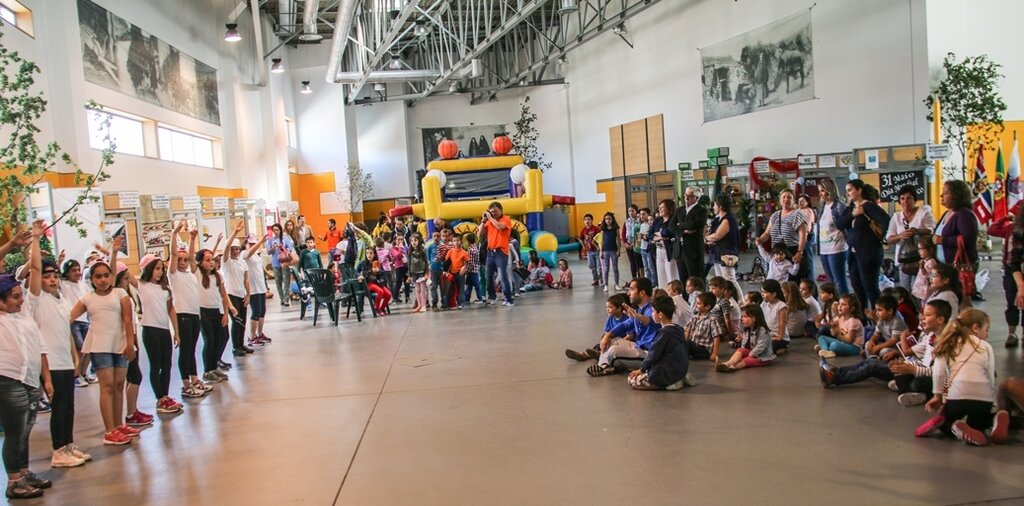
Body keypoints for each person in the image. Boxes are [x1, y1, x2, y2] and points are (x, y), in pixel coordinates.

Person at [24, 222, 87, 469]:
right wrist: (36, 240)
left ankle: (68, 444)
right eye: (46, 277)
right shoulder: (37, 300)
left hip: (64, 359)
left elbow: (66, 332)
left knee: (69, 405)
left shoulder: (60, 302)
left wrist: (75, 358)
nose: (51, 280)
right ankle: (58, 450)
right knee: (59, 406)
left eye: (54, 277)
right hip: (49, 361)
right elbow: (35, 269)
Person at [0, 228, 56, 498]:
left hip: (30, 378)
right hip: (7, 378)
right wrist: (10, 245)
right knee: (14, 431)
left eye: (20, 295)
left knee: (25, 429)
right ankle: (13, 481)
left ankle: (23, 472)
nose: (21, 299)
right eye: (14, 297)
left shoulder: (23, 313)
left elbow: (34, 268)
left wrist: (34, 239)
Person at [68, 254, 138, 445]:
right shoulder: (87, 298)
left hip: (120, 345)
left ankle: (118, 424)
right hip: (100, 346)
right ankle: (109, 430)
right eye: (98, 276)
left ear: (111, 276)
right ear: (92, 279)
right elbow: (69, 317)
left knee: (118, 384)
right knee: (106, 386)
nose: (102, 280)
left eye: (106, 275)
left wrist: (130, 343)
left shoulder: (120, 295)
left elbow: (127, 320)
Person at [917, 309, 1001, 446]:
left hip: (957, 398)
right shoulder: (986, 346)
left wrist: (937, 396)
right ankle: (994, 419)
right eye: (986, 329)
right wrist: (993, 402)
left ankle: (953, 427)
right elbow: (991, 377)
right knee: (978, 425)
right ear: (975, 327)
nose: (987, 334)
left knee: (944, 422)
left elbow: (939, 371)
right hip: (983, 400)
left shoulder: (948, 343)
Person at [136, 253, 182, 415]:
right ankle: (159, 398)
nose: (160, 272)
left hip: (164, 331)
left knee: (167, 365)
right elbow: (124, 274)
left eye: (161, 269)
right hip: (150, 330)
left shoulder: (165, 290)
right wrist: (112, 252)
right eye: (156, 269)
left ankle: (165, 395)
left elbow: (171, 310)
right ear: (148, 269)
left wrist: (176, 332)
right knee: (156, 366)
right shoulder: (141, 285)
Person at [835, 180, 891, 312]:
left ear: (859, 190)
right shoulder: (851, 208)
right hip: (854, 254)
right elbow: (839, 223)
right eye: (847, 190)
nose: (848, 193)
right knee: (857, 286)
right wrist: (854, 214)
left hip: (869, 253)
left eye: (850, 190)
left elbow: (886, 220)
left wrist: (877, 238)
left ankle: (880, 319)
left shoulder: (868, 206)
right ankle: (864, 318)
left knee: (870, 287)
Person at [587, 278, 660, 376]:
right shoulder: (638, 310)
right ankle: (607, 363)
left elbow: (652, 321)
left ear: (642, 292)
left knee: (613, 351)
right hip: (638, 346)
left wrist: (639, 317)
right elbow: (624, 325)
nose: (628, 293)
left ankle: (603, 366)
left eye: (631, 289)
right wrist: (607, 336)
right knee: (611, 340)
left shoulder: (651, 309)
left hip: (647, 353)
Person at [169, 223, 208, 398]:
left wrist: (192, 239)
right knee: (185, 351)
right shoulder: (173, 274)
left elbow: (192, 258)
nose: (183, 262)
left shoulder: (191, 273)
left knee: (191, 349)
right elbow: (173, 254)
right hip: (182, 315)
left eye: (185, 260)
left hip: (194, 315)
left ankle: (194, 378)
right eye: (180, 260)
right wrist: (175, 233)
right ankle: (185, 383)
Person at [627, 295, 691, 391]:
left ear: (660, 314)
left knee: (632, 380)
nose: (652, 314)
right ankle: (677, 379)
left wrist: (641, 370)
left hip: (665, 372)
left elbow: (653, 355)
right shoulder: (678, 330)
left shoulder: (664, 334)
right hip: (680, 370)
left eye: (653, 311)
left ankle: (668, 383)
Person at [886, 185, 935, 293]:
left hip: (921, 259)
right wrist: (900, 236)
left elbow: (931, 230)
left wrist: (916, 231)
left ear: (914, 199)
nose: (905, 201)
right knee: (904, 291)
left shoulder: (923, 212)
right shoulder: (896, 217)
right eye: (902, 198)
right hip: (904, 260)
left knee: (919, 288)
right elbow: (889, 239)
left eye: (909, 198)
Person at [195, 248, 234, 385]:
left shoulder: (218, 276)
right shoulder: (198, 274)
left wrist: (225, 313)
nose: (211, 263)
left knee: (218, 340)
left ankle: (213, 367)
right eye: (207, 260)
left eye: (212, 260)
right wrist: (193, 239)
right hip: (203, 312)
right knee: (209, 340)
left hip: (216, 311)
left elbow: (223, 295)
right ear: (200, 263)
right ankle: (207, 371)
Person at [757, 189, 810, 282]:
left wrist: (799, 252)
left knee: (792, 283)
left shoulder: (798, 214)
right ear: (780, 200)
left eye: (789, 197)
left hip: (791, 252)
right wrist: (759, 240)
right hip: (777, 253)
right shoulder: (775, 216)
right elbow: (767, 234)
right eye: (784, 197)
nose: (786, 199)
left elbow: (803, 236)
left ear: (793, 200)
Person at [988, 206, 1021, 347]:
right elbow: (992, 229)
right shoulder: (1010, 228)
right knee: (1011, 301)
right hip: (1010, 270)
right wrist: (1005, 218)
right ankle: (1011, 333)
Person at [564, 294, 630, 361]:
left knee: (610, 347)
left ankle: (599, 354)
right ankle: (584, 354)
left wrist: (616, 342)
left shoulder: (626, 319)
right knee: (599, 345)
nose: (607, 309)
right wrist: (605, 339)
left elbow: (630, 336)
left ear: (619, 308)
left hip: (622, 342)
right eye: (607, 307)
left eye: (610, 307)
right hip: (611, 339)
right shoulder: (610, 318)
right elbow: (607, 333)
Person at [60, 259, 94, 387]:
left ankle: (84, 373)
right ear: (67, 273)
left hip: (85, 320)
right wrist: (58, 262)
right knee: (80, 349)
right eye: (73, 270)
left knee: (89, 349)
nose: (77, 272)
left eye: (78, 269)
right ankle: (76, 375)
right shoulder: (64, 284)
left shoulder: (82, 285)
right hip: (74, 321)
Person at [221, 222, 253, 357]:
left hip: (241, 294)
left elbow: (246, 279)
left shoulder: (241, 262)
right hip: (231, 294)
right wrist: (235, 231)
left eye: (237, 249)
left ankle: (241, 344)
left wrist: (248, 294)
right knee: (237, 321)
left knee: (243, 321)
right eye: (233, 249)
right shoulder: (226, 262)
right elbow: (227, 246)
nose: (235, 251)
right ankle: (235, 347)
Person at [937, 180, 979, 277]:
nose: (941, 195)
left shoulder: (964, 214)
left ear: (956, 195)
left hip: (960, 265)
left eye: (946, 193)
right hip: (946, 265)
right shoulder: (948, 213)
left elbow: (968, 239)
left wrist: (944, 240)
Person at [716, 304, 776, 372]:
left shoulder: (762, 330)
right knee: (740, 350)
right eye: (742, 317)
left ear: (754, 318)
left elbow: (761, 346)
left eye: (745, 317)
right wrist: (743, 350)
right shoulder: (747, 329)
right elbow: (744, 345)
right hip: (752, 352)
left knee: (746, 360)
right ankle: (729, 363)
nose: (742, 319)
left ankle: (731, 367)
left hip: (762, 357)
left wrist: (750, 354)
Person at [705, 194, 742, 297]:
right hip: (717, 254)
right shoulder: (718, 220)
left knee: (730, 280)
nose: (713, 207)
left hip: (727, 254)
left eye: (715, 205)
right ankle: (723, 300)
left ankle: (740, 301)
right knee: (720, 281)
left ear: (720, 206)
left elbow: (717, 236)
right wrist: (708, 238)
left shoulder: (727, 219)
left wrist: (707, 238)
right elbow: (709, 234)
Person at [479, 202, 515, 307]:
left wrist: (490, 218)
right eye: (491, 211)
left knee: (503, 276)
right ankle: (492, 296)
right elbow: (480, 234)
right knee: (488, 276)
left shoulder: (506, 219)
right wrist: (483, 221)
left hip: (501, 252)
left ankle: (509, 298)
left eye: (495, 211)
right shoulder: (489, 222)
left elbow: (500, 227)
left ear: (501, 210)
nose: (493, 213)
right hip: (490, 252)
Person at [669, 187, 708, 282]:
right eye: (685, 195)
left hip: (693, 250)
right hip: (680, 250)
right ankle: (685, 297)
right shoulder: (679, 210)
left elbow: (694, 224)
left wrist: (680, 225)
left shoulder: (701, 211)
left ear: (697, 198)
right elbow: (671, 226)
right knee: (683, 279)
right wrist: (683, 231)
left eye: (690, 196)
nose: (687, 198)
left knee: (695, 279)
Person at [817, 179, 849, 294]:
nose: (820, 194)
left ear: (829, 191)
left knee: (839, 280)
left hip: (837, 248)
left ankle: (845, 305)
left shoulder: (840, 206)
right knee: (830, 282)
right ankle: (835, 306)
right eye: (819, 191)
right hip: (824, 249)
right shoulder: (823, 206)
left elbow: (846, 226)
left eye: (822, 191)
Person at [817, 294, 865, 364]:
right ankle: (826, 350)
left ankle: (826, 348)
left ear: (852, 308)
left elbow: (850, 340)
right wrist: (832, 327)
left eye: (843, 304)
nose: (839, 306)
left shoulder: (853, 321)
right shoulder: (841, 318)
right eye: (839, 304)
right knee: (821, 338)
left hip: (855, 348)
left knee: (834, 345)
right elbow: (832, 325)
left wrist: (837, 335)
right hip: (843, 343)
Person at [244, 232, 272, 347]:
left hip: (260, 287)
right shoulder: (244, 254)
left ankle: (259, 333)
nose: (252, 246)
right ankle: (252, 336)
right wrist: (260, 241)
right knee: (255, 312)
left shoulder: (257, 255)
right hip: (253, 289)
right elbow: (248, 254)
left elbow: (260, 270)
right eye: (250, 243)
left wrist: (266, 286)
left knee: (262, 311)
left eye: (253, 244)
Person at [683, 292, 726, 361]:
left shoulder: (712, 319)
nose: (696, 305)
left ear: (707, 307)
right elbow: (687, 330)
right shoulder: (694, 317)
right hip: (693, 345)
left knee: (686, 344)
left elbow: (716, 337)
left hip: (703, 349)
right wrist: (683, 340)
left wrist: (715, 353)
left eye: (698, 303)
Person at [864, 295, 907, 360]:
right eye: (876, 310)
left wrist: (878, 347)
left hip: (898, 349)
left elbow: (893, 341)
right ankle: (871, 360)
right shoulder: (881, 321)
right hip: (888, 345)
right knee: (867, 344)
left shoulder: (897, 322)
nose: (877, 313)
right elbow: (876, 335)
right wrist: (871, 341)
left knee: (884, 351)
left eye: (880, 310)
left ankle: (878, 363)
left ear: (890, 311)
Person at [651, 199, 678, 289]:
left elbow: (669, 232)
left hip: (669, 251)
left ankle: (674, 297)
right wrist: (660, 236)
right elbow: (649, 234)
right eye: (659, 208)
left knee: (671, 276)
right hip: (658, 250)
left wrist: (658, 234)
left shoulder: (673, 219)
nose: (660, 210)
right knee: (661, 276)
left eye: (662, 207)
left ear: (669, 208)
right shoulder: (658, 220)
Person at [267, 223, 295, 306]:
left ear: (280, 230)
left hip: (284, 262)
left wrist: (282, 247)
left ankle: (286, 298)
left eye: (277, 230)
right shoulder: (271, 240)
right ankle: (282, 298)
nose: (276, 232)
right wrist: (273, 248)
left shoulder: (285, 239)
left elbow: (290, 249)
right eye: (274, 230)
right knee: (278, 281)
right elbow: (268, 252)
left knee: (286, 280)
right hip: (275, 263)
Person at [357, 247, 392, 315]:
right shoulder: (363, 263)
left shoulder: (377, 263)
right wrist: (359, 275)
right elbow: (356, 271)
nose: (369, 255)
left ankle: (382, 308)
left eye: (371, 253)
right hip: (368, 283)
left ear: (374, 254)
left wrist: (378, 271)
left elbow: (383, 273)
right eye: (367, 253)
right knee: (380, 291)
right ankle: (377, 308)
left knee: (388, 294)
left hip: (377, 282)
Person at [912, 236, 939, 303]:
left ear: (930, 249)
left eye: (921, 249)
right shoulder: (925, 261)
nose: (919, 251)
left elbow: (930, 276)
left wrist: (922, 268)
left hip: (926, 292)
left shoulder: (931, 262)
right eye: (918, 249)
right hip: (922, 291)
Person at [797, 194, 817, 282]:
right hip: (799, 238)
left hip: (806, 238)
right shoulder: (799, 210)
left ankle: (810, 282)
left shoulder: (808, 211)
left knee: (808, 261)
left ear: (807, 202)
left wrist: (804, 238)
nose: (800, 203)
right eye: (799, 201)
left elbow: (807, 227)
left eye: (802, 201)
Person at [445, 236, 469, 308]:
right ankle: (448, 303)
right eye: (454, 240)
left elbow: (468, 262)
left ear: (460, 241)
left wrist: (464, 268)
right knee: (450, 288)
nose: (456, 242)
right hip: (452, 273)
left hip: (460, 273)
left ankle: (461, 303)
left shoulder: (464, 252)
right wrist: (446, 272)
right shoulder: (450, 251)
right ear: (452, 242)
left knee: (461, 288)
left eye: (458, 240)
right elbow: (447, 262)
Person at [599, 212, 621, 292]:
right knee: (606, 269)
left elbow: (618, 240)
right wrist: (601, 251)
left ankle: (616, 284)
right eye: (606, 219)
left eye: (609, 219)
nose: (608, 220)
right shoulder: (603, 229)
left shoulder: (615, 229)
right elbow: (602, 241)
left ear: (612, 219)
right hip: (605, 251)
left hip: (614, 250)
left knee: (615, 268)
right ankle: (606, 285)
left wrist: (619, 250)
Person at [408, 233, 429, 313]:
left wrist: (427, 273)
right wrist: (409, 275)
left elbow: (426, 262)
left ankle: (424, 305)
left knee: (423, 289)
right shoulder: (410, 250)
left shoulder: (422, 250)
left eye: (415, 240)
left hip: (421, 272)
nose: (413, 242)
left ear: (419, 241)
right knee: (417, 290)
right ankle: (419, 305)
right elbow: (409, 263)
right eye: (412, 240)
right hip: (414, 272)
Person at [622, 205, 643, 280]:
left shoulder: (639, 220)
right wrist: (625, 242)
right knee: (632, 262)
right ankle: (633, 278)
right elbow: (624, 232)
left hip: (636, 244)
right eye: (629, 211)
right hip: (628, 244)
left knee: (638, 262)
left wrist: (633, 244)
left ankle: (640, 278)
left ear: (636, 211)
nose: (630, 213)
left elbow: (639, 233)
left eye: (632, 211)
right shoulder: (626, 221)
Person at [579, 214, 601, 287]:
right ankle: (595, 279)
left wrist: (599, 247)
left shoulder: (596, 229)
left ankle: (601, 280)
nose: (587, 221)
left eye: (588, 219)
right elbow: (581, 238)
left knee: (599, 266)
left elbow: (600, 237)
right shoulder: (583, 230)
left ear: (592, 220)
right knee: (592, 266)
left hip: (597, 250)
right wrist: (583, 246)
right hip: (589, 251)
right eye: (585, 220)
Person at [636, 208, 656, 284]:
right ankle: (648, 282)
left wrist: (644, 236)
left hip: (648, 249)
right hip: (642, 248)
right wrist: (639, 237)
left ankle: (654, 282)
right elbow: (639, 237)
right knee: (646, 267)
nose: (642, 216)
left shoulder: (650, 225)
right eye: (641, 214)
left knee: (651, 267)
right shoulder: (642, 225)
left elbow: (649, 237)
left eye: (644, 214)